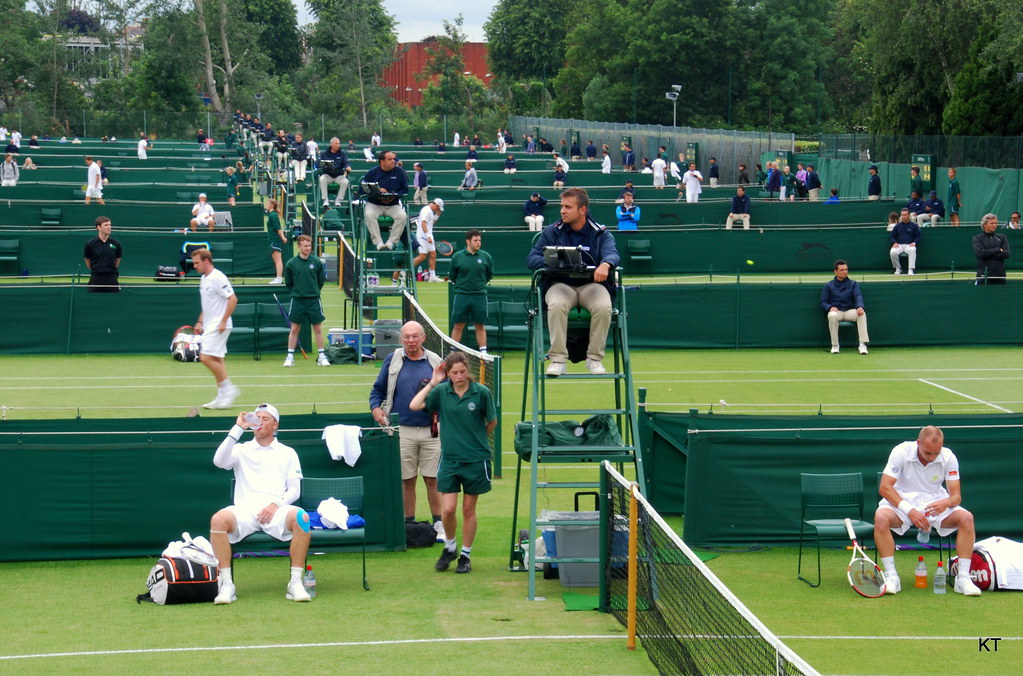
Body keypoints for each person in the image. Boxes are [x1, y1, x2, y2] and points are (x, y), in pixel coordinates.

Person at [208, 404, 312, 604]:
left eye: (265, 419)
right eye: (257, 418)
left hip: (277, 512)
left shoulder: (288, 452)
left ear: (275, 425)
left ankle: (295, 583)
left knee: (302, 517)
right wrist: (238, 428)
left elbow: (294, 491)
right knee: (218, 520)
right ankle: (227, 585)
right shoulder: (241, 449)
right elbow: (218, 461)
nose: (260, 422)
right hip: (245, 512)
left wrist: (275, 504)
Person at [410, 351, 497, 575]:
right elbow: (415, 405)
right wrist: (434, 382)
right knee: (448, 510)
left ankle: (465, 556)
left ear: (468, 371)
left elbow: (492, 421)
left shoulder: (481, 393)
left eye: (462, 372)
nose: (459, 376)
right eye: (454, 373)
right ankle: (450, 547)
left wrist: (476, 438)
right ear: (447, 373)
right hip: (449, 460)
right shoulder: (441, 391)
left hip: (475, 460)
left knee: (468, 509)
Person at [874, 425, 982, 596]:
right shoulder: (901, 451)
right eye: (928, 453)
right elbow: (885, 488)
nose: (932, 458)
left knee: (966, 518)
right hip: (902, 503)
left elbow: (956, 496)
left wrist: (946, 502)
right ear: (918, 443)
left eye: (936, 453)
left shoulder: (948, 457)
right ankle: (892, 576)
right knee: (881, 518)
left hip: (934, 504)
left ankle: (963, 578)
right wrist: (910, 510)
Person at [526, 188, 619, 376]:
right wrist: (552, 261)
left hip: (592, 285)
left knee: (603, 306)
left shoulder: (600, 232)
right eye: (562, 206)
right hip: (560, 285)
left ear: (582, 209)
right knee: (556, 305)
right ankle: (558, 360)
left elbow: (612, 254)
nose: (562, 211)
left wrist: (606, 264)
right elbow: (532, 258)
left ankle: (594, 359)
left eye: (568, 207)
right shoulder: (552, 231)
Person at [369, 321, 445, 534]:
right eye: (407, 337)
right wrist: (376, 408)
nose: (411, 341)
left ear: (423, 338)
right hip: (402, 430)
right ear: (401, 339)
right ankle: (408, 525)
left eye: (415, 336)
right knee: (406, 480)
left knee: (433, 479)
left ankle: (439, 524)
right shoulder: (392, 360)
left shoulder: (435, 361)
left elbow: (446, 394)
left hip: (432, 430)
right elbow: (377, 390)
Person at [191, 247, 240, 409]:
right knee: (217, 359)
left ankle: (229, 389)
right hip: (210, 324)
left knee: (205, 357)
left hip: (219, 325)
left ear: (206, 261)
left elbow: (233, 299)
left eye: (197, 263)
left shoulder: (218, 277)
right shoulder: (204, 278)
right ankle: (222, 397)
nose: (194, 266)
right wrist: (200, 322)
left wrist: (223, 321)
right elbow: (207, 305)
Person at [282, 235, 330, 366]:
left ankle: (321, 356)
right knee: (294, 328)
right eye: (305, 246)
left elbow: (320, 281)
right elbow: (289, 283)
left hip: (314, 300)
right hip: (297, 300)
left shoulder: (317, 262)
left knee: (318, 328)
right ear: (299, 246)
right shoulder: (291, 263)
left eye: (309, 246)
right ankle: (290, 357)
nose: (308, 248)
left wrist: (313, 291)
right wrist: (297, 292)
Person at [449, 230, 493, 352]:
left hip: (480, 296)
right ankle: (452, 352)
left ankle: (483, 353)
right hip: (462, 295)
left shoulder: (486, 256)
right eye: (475, 240)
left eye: (479, 240)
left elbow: (489, 274)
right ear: (468, 241)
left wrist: (479, 285)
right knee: (458, 324)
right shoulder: (457, 257)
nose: (478, 243)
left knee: (480, 325)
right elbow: (453, 276)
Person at [359, 150, 408, 250]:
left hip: (393, 204)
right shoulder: (373, 172)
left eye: (393, 159)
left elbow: (405, 189)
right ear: (382, 161)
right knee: (369, 215)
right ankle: (378, 243)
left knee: (402, 216)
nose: (393, 161)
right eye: (390, 159)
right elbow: (362, 189)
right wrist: (377, 190)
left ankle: (391, 242)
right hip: (374, 204)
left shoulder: (400, 172)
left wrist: (393, 195)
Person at [820, 259, 869, 354]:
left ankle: (862, 345)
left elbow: (858, 296)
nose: (845, 272)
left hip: (849, 311)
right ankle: (835, 345)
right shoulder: (828, 285)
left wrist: (860, 307)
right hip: (836, 312)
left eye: (846, 269)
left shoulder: (853, 284)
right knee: (832, 315)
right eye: (842, 270)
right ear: (835, 271)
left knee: (862, 314)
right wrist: (830, 307)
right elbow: (823, 302)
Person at [83, 216, 123, 293]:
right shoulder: (90, 244)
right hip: (95, 279)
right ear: (98, 227)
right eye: (106, 225)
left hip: (112, 278)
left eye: (110, 225)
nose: (109, 227)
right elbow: (87, 260)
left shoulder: (116, 244)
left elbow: (117, 261)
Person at [973, 213, 1010, 285]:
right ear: (984, 225)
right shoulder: (977, 238)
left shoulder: (1002, 237)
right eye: (991, 223)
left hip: (1000, 276)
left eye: (995, 223)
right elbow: (981, 253)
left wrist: (987, 254)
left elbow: (1006, 254)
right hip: (983, 276)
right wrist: (998, 250)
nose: (994, 225)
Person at [413, 198, 444, 282]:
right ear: (436, 205)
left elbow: (430, 224)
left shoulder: (430, 211)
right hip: (422, 236)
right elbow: (423, 223)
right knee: (422, 256)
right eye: (438, 208)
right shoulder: (426, 210)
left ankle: (432, 276)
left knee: (433, 254)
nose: (437, 210)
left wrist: (436, 216)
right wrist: (428, 236)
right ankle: (406, 270)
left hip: (428, 236)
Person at [318, 137, 351, 209]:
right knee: (322, 179)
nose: (338, 145)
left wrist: (348, 167)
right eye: (336, 143)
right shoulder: (324, 153)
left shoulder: (342, 154)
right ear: (331, 144)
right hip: (327, 175)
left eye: (339, 143)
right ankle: (325, 200)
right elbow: (318, 164)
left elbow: (346, 162)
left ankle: (338, 200)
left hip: (338, 175)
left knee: (345, 181)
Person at [889, 208, 920, 275]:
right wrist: (894, 242)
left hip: (909, 245)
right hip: (899, 245)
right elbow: (892, 236)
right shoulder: (897, 226)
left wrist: (914, 243)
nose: (903, 216)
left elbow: (918, 237)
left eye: (905, 215)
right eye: (902, 215)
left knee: (912, 250)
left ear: (909, 215)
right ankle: (898, 268)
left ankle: (911, 269)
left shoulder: (914, 225)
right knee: (893, 252)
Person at [265, 198, 287, 284]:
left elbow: (278, 228)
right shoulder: (271, 215)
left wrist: (283, 238)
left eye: (267, 204)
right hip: (272, 240)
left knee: (278, 259)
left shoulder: (273, 215)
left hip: (275, 240)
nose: (266, 205)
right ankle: (278, 277)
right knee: (275, 258)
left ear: (272, 205)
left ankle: (279, 278)